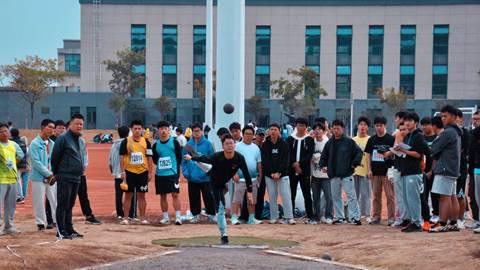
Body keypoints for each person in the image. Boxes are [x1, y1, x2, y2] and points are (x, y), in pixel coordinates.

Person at [184, 134, 254, 244]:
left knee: (206, 165)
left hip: (225, 181)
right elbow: (206, 158)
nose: (230, 146)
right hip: (214, 181)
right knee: (221, 208)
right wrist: (192, 158)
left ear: (234, 145)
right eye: (227, 144)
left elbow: (246, 174)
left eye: (231, 143)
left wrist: (249, 191)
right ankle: (224, 234)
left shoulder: (239, 158)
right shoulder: (218, 156)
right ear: (223, 146)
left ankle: (196, 157)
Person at [319, 120, 363, 225]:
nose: (336, 130)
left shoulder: (349, 142)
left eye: (338, 128)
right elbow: (324, 156)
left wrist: (353, 164)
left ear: (342, 129)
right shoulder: (329, 143)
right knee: (336, 197)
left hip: (346, 174)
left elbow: (359, 153)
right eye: (334, 128)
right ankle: (339, 217)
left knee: (351, 196)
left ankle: (355, 218)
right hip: (333, 174)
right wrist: (322, 165)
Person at [51, 114, 86, 239]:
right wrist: (57, 173)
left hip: (76, 177)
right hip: (65, 176)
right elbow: (55, 158)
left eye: (81, 124)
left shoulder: (80, 140)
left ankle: (69, 228)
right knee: (62, 204)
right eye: (76, 123)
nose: (79, 126)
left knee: (70, 204)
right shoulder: (63, 139)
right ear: (70, 125)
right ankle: (60, 230)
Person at [429, 106, 462, 233]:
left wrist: (437, 140)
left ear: (453, 117)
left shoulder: (448, 132)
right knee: (452, 196)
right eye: (442, 116)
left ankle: (442, 223)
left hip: (445, 168)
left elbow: (434, 149)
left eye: (445, 116)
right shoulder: (456, 131)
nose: (442, 119)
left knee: (444, 197)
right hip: (452, 169)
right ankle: (453, 223)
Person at [394, 112, 428, 233]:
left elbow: (419, 154)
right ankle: (413, 222)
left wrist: (403, 150)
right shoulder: (409, 135)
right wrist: (400, 149)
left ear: (416, 123)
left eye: (410, 121)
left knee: (413, 198)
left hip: (414, 171)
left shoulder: (418, 135)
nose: (407, 123)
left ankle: (417, 223)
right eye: (406, 120)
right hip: (406, 171)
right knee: (408, 198)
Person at [119, 120, 154, 225]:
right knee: (128, 195)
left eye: (139, 128)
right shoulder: (126, 142)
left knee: (142, 196)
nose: (137, 131)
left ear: (142, 129)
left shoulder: (146, 142)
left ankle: (143, 218)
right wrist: (122, 171)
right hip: (129, 172)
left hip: (143, 172)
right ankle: (125, 218)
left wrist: (150, 172)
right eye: (135, 128)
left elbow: (149, 158)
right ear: (131, 129)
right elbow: (121, 157)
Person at [261, 123, 295, 225]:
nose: (273, 131)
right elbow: (265, 160)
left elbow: (286, 160)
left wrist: (279, 173)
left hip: (282, 174)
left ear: (279, 131)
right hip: (270, 175)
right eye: (271, 129)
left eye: (275, 129)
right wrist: (271, 173)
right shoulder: (265, 145)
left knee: (286, 195)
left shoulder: (284, 144)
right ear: (269, 131)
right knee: (272, 196)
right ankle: (274, 217)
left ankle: (289, 217)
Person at [181, 122, 216, 223]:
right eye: (194, 131)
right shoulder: (188, 146)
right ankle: (195, 215)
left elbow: (212, 159)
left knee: (209, 197)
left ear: (202, 131)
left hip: (206, 177)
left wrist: (209, 172)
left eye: (198, 131)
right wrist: (186, 173)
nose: (196, 133)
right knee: (194, 197)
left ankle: (212, 215)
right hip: (192, 177)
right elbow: (183, 161)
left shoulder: (208, 144)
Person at [365, 116, 395, 225]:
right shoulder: (371, 140)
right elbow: (368, 155)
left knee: (390, 196)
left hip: (387, 172)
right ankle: (376, 217)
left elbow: (394, 154)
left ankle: (391, 218)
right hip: (375, 172)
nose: (378, 128)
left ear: (385, 126)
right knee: (376, 196)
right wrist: (369, 169)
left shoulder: (390, 139)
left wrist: (391, 170)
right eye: (377, 126)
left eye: (380, 126)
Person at [231, 126, 263, 225]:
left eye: (250, 134)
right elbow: (231, 161)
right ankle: (234, 218)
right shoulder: (236, 146)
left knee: (252, 200)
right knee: (237, 200)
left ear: (253, 136)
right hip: (239, 179)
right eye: (246, 133)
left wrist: (260, 176)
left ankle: (251, 219)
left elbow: (259, 163)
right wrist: (234, 174)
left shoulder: (256, 148)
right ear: (243, 134)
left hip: (253, 179)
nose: (248, 136)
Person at [153, 121, 183, 225]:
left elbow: (179, 158)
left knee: (175, 194)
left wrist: (177, 174)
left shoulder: (174, 142)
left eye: (165, 129)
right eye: (161, 129)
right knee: (162, 195)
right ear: (158, 131)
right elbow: (154, 160)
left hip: (172, 173)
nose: (163, 131)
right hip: (160, 174)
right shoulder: (155, 145)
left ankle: (178, 217)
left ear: (169, 130)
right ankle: (165, 217)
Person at [29, 119, 57, 231]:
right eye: (50, 127)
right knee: (39, 201)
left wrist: (53, 174)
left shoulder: (52, 144)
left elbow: (54, 160)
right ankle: (40, 223)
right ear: (43, 127)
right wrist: (48, 174)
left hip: (51, 177)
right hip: (38, 178)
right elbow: (36, 163)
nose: (52, 130)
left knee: (54, 200)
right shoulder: (34, 144)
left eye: (53, 128)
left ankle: (56, 220)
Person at [286, 117, 315, 223]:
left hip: (304, 171)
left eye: (303, 125)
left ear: (306, 127)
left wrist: (300, 165)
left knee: (307, 193)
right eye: (299, 125)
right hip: (292, 170)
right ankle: (290, 216)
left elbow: (309, 155)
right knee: (291, 194)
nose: (300, 127)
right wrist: (294, 164)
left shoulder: (310, 140)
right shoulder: (290, 139)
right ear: (296, 126)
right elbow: (288, 153)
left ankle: (310, 216)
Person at [0, 122, 24, 235]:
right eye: (1, 132)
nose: (4, 133)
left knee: (11, 205)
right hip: (1, 180)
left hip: (13, 179)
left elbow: (20, 156)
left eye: (6, 131)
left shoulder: (13, 144)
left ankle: (8, 227)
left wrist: (13, 163)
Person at [109, 125, 136, 220]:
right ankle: (131, 214)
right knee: (131, 195)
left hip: (117, 174)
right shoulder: (129, 144)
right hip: (129, 173)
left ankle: (120, 214)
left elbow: (110, 161)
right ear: (128, 133)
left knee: (118, 195)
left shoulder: (113, 145)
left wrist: (114, 172)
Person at [389, 111, 409, 227]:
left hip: (408, 169)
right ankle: (402, 217)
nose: (395, 121)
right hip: (397, 167)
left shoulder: (411, 136)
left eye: (396, 119)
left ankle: (407, 217)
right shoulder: (396, 134)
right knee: (400, 195)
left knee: (407, 195)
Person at [45, 119, 66, 229]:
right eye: (59, 128)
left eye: (63, 128)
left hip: (63, 173)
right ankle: (49, 220)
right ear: (55, 130)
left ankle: (59, 219)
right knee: (50, 197)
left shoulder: (67, 140)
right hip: (52, 172)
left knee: (61, 197)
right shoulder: (50, 141)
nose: (61, 130)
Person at [310, 123, 333, 224]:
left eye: (320, 129)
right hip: (315, 175)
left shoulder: (327, 142)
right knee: (315, 198)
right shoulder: (311, 142)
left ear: (324, 131)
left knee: (328, 197)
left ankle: (329, 216)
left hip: (326, 175)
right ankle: (317, 217)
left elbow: (331, 157)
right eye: (316, 129)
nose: (317, 131)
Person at [420, 117, 439, 227]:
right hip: (423, 172)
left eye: (427, 124)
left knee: (435, 193)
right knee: (423, 194)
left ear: (432, 125)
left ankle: (436, 214)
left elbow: (436, 156)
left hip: (435, 171)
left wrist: (431, 171)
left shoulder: (437, 138)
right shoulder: (421, 138)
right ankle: (425, 216)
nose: (424, 127)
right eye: (422, 125)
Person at [352, 117, 372, 224]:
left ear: (367, 127)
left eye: (365, 125)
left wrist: (370, 169)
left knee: (366, 195)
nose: (362, 127)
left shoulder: (370, 140)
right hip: (354, 171)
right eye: (361, 124)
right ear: (358, 126)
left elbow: (371, 156)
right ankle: (356, 214)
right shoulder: (353, 140)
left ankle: (367, 215)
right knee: (354, 195)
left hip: (365, 171)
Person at [455, 109, 469, 229]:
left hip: (461, 168)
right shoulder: (448, 132)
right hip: (450, 168)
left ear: (461, 119)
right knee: (450, 195)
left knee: (460, 193)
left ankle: (461, 218)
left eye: (457, 118)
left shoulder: (465, 133)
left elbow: (464, 150)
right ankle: (453, 217)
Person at [467, 110, 480, 230]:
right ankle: (477, 219)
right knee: (473, 195)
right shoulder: (472, 133)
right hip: (474, 169)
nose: (475, 121)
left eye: (478, 119)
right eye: (474, 119)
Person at [9, 128, 29, 204]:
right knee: (24, 182)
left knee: (17, 181)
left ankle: (20, 197)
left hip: (17, 164)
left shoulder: (11, 142)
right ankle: (23, 196)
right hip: (24, 164)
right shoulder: (22, 142)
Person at [253, 128, 267, 220]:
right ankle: (250, 214)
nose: (261, 137)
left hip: (263, 174)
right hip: (253, 174)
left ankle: (258, 215)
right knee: (252, 195)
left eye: (262, 135)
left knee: (261, 195)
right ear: (256, 135)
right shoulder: (252, 146)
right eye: (259, 135)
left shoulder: (265, 146)